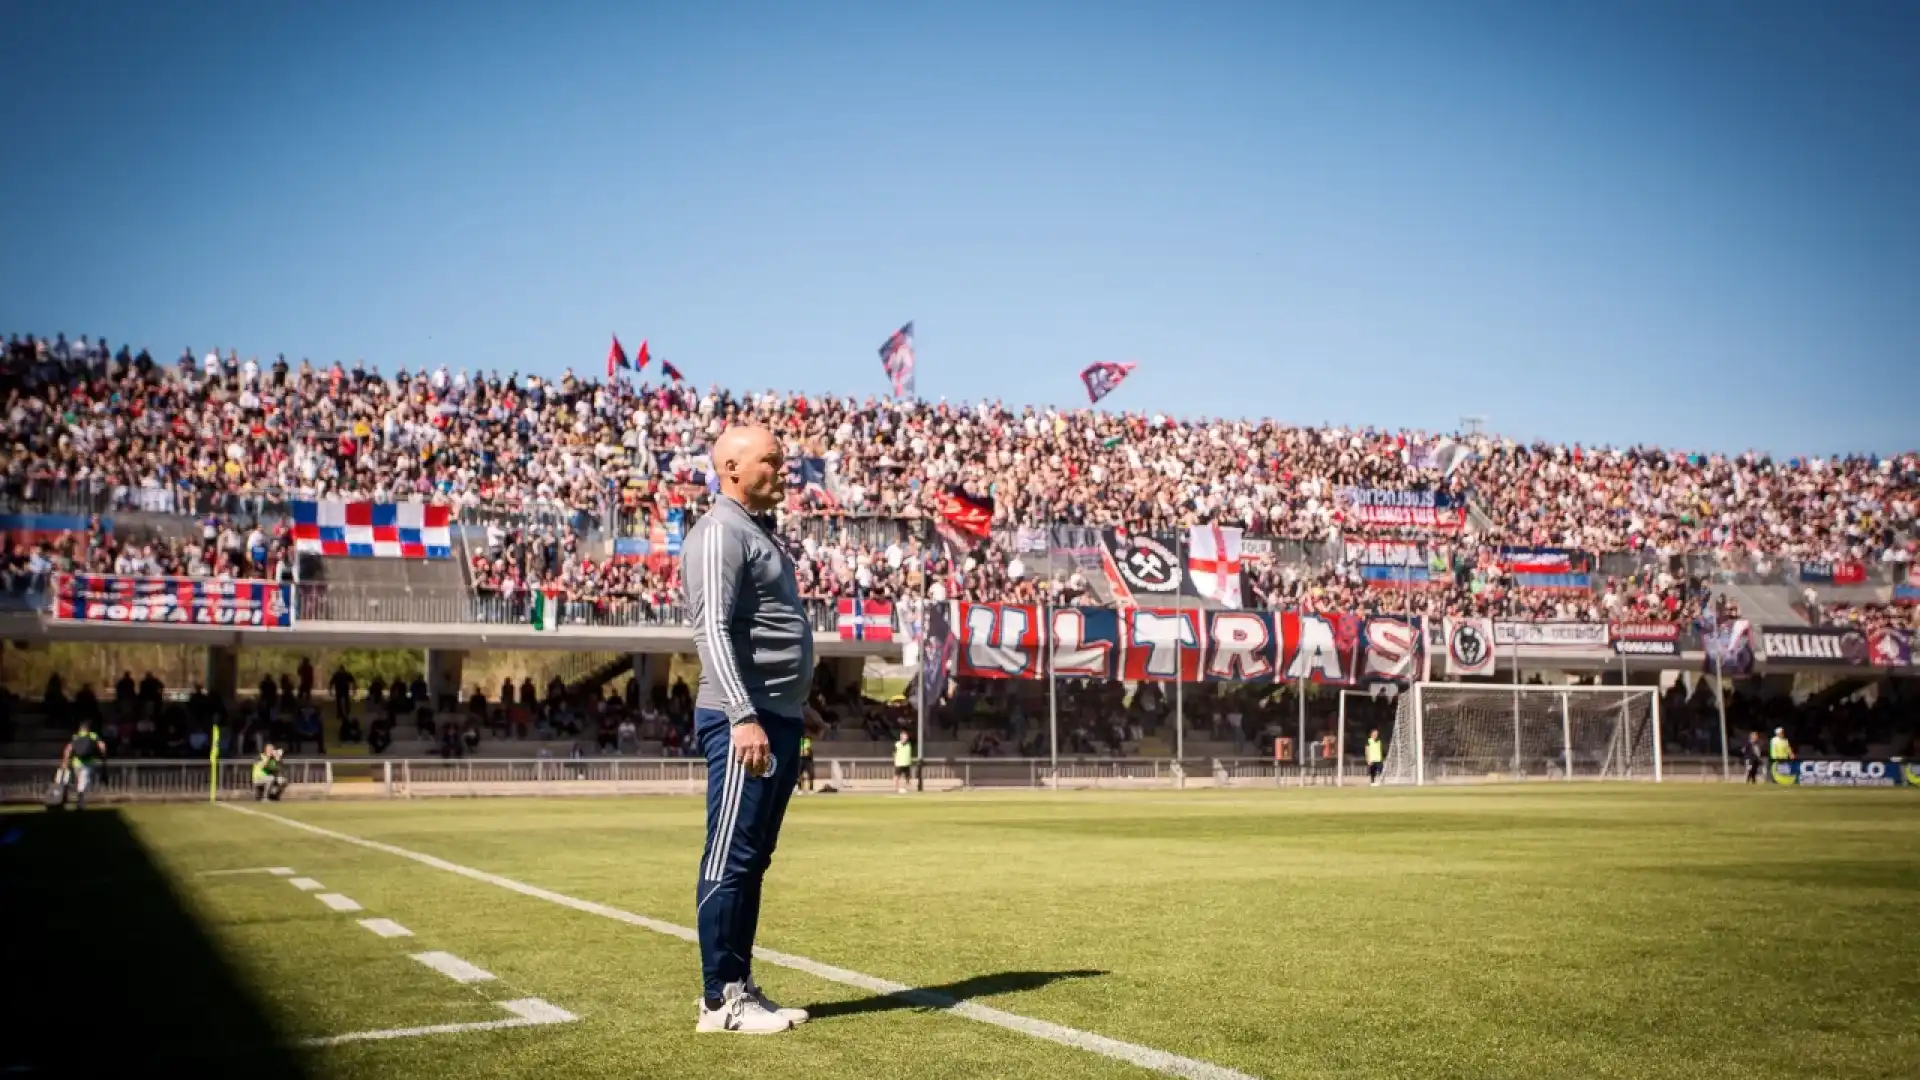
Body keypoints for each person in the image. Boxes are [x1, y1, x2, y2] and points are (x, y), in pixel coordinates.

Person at [683, 424, 816, 1036]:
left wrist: (797, 704)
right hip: (745, 721)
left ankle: (737, 987)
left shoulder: (759, 534)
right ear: (732, 468)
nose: (784, 468)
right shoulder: (719, 533)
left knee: (754, 859)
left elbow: (765, 629)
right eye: (771, 459)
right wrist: (743, 715)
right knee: (731, 856)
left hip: (777, 717)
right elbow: (711, 630)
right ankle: (719, 1001)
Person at [57, 723, 106, 810]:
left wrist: (65, 761)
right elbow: (102, 746)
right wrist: (103, 756)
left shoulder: (75, 736)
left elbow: (68, 749)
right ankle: (80, 801)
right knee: (84, 780)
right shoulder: (92, 735)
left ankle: (78, 798)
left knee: (80, 780)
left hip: (76, 762)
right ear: (88, 729)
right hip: (88, 762)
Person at [893, 729, 915, 794]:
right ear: (901, 737)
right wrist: (896, 760)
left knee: (908, 777)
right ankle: (896, 789)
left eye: (906, 736)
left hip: (907, 763)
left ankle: (906, 789)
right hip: (899, 763)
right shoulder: (897, 744)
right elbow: (894, 753)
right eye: (905, 736)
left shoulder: (909, 744)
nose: (906, 737)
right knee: (896, 776)